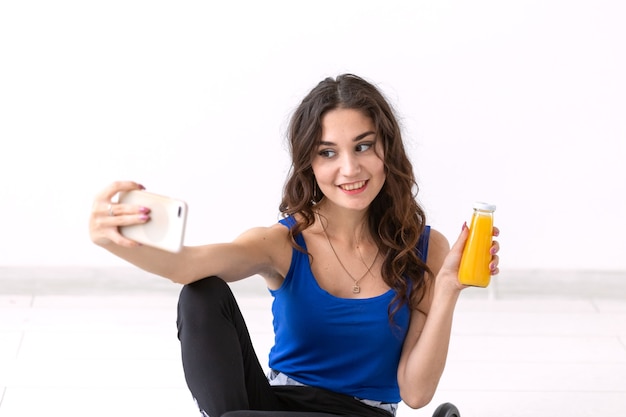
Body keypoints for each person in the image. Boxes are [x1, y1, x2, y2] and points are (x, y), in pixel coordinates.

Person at [89, 74, 500, 417]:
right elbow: (188, 266)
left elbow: (416, 394)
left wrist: (447, 290)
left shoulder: (422, 248)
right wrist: (112, 240)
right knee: (201, 291)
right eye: (328, 153)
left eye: (363, 146)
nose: (349, 168)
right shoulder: (283, 242)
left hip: (363, 412)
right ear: (309, 162)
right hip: (274, 403)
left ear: (386, 149)